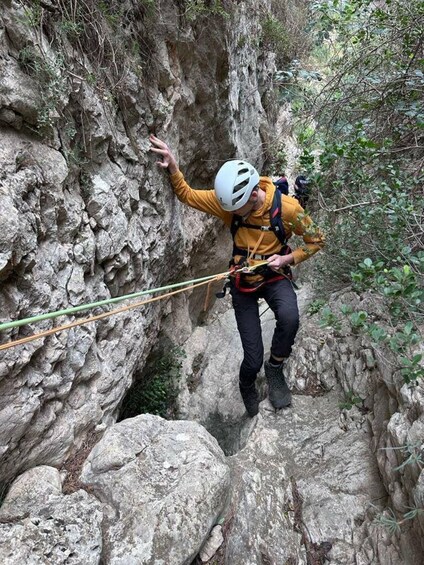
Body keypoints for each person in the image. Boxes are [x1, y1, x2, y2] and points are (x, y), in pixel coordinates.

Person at [149, 134, 325, 417]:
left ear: (254, 195)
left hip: (273, 274)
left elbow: (317, 240)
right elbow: (188, 195)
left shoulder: (289, 210)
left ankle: (276, 367)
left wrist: (288, 258)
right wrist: (173, 166)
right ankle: (248, 382)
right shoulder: (230, 201)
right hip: (243, 282)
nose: (229, 213)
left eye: (236, 209)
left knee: (290, 317)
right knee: (251, 359)